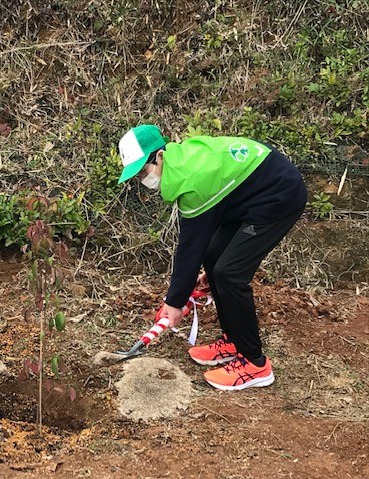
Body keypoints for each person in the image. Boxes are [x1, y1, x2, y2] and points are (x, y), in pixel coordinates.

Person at [117, 125, 307, 391]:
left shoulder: (191, 178)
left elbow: (189, 246)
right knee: (214, 257)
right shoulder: (180, 164)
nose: (143, 180)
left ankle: (255, 364)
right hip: (247, 195)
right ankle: (233, 341)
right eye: (137, 176)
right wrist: (182, 292)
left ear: (159, 156)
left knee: (230, 274)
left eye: (144, 171)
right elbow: (203, 241)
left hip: (278, 194)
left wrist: (175, 301)